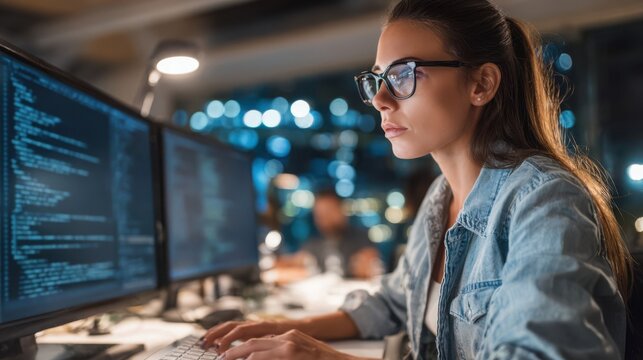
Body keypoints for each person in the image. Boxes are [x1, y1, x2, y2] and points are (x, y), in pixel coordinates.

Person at [201, 0, 632, 358]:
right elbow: (392, 303)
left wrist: (324, 357)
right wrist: (279, 326)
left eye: (404, 74)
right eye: (378, 80)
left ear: (481, 84)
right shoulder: (440, 198)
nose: (381, 100)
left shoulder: (545, 200)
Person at [275, 189, 381, 280]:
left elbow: (370, 261)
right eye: (319, 215)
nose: (323, 219)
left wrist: (366, 266)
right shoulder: (313, 243)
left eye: (328, 212)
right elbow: (297, 260)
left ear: (341, 210)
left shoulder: (360, 238)